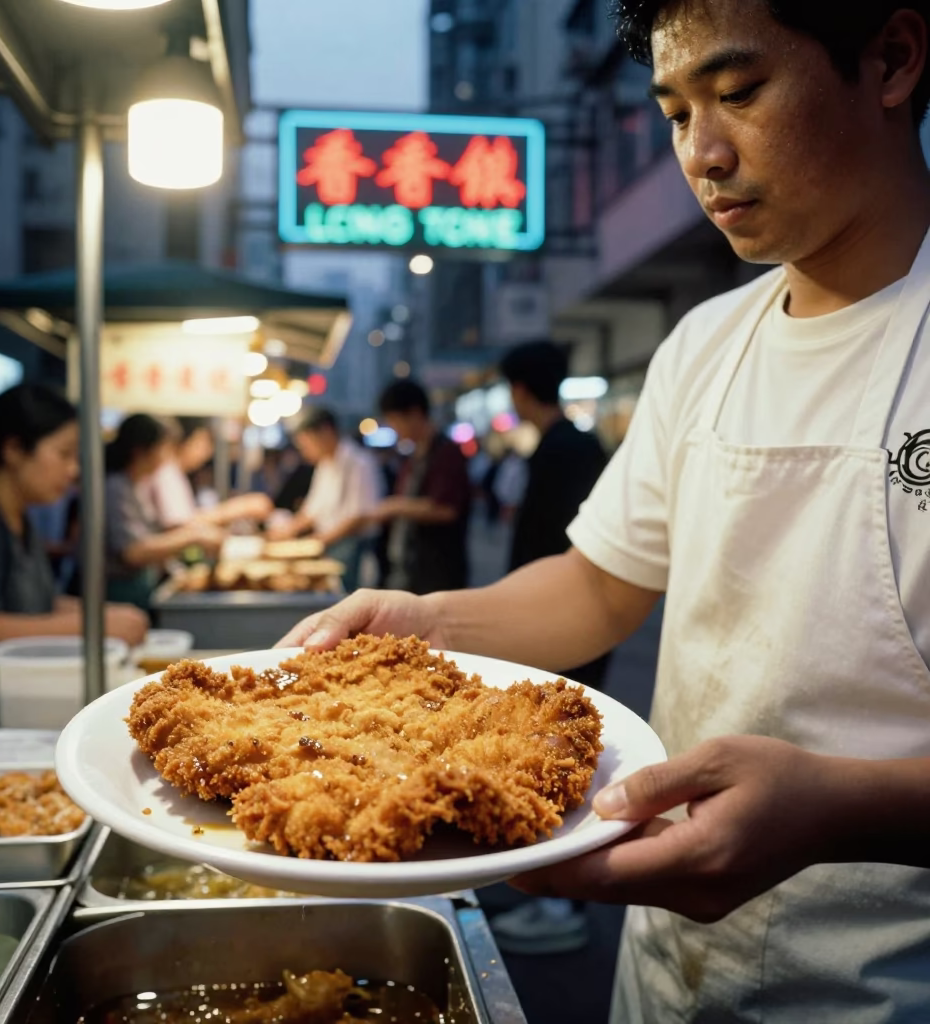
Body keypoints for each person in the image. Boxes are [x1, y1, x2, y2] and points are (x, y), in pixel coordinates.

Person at [279, 2, 930, 1020]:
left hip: (887, 978)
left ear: (890, 60)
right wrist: (427, 623)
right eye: (674, 114)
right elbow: (596, 585)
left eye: (739, 92)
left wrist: (839, 807)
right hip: (663, 967)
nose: (702, 153)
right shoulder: (703, 345)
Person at [0, 385, 148, 729]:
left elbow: (35, 602)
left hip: (8, 706)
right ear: (15, 449)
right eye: (64, 454)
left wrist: (104, 615)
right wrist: (94, 628)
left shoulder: (20, 515)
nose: (74, 471)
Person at [487, 340, 612, 957]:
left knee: (559, 745)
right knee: (546, 742)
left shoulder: (567, 447)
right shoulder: (574, 443)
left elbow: (562, 551)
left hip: (560, 615)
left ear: (519, 390)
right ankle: (551, 886)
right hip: (547, 610)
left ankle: (563, 897)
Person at [104, 414, 225, 609]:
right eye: (164, 448)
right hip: (118, 592)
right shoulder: (115, 487)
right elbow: (133, 552)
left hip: (140, 585)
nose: (167, 457)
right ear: (140, 451)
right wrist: (194, 536)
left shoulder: (137, 484)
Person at [374, 379, 472, 594]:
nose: (393, 427)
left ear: (415, 413)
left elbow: (446, 509)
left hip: (436, 571)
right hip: (409, 567)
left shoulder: (446, 453)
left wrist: (394, 506)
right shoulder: (413, 456)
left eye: (394, 419)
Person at [270, 408, 382, 591]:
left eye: (307, 444)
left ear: (326, 432)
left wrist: (316, 542)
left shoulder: (359, 462)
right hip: (329, 545)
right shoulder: (325, 465)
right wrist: (287, 531)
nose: (305, 452)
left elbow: (360, 517)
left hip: (354, 548)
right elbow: (312, 510)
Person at [140, 416, 272, 530]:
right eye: (203, 442)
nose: (207, 451)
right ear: (185, 441)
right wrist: (239, 508)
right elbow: (178, 526)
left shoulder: (174, 472)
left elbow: (185, 518)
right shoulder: (166, 473)